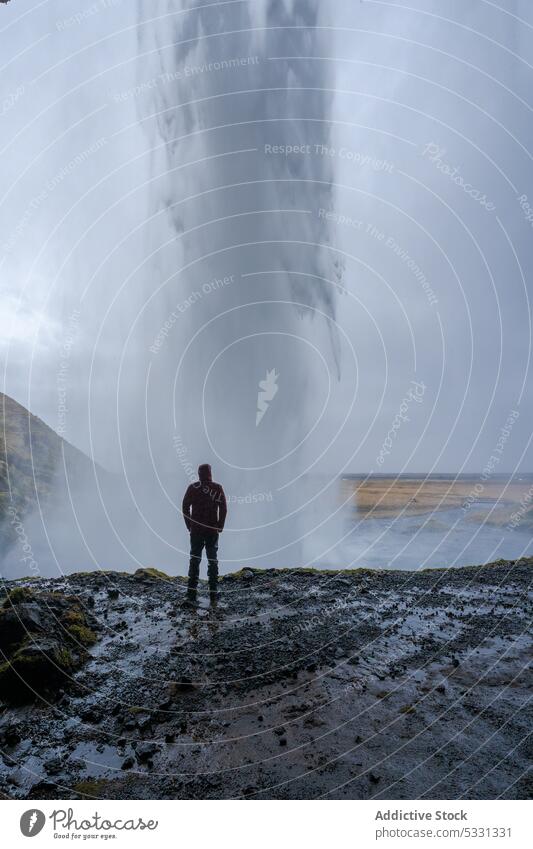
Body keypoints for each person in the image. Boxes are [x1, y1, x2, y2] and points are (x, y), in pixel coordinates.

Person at [182, 463, 227, 607]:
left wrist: (189, 525)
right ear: (210, 473)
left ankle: (191, 594)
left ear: (199, 474)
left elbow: (184, 506)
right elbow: (224, 508)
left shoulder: (193, 488)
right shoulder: (217, 488)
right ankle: (213, 594)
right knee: (212, 561)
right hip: (211, 531)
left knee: (194, 560)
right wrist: (220, 525)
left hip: (196, 531)